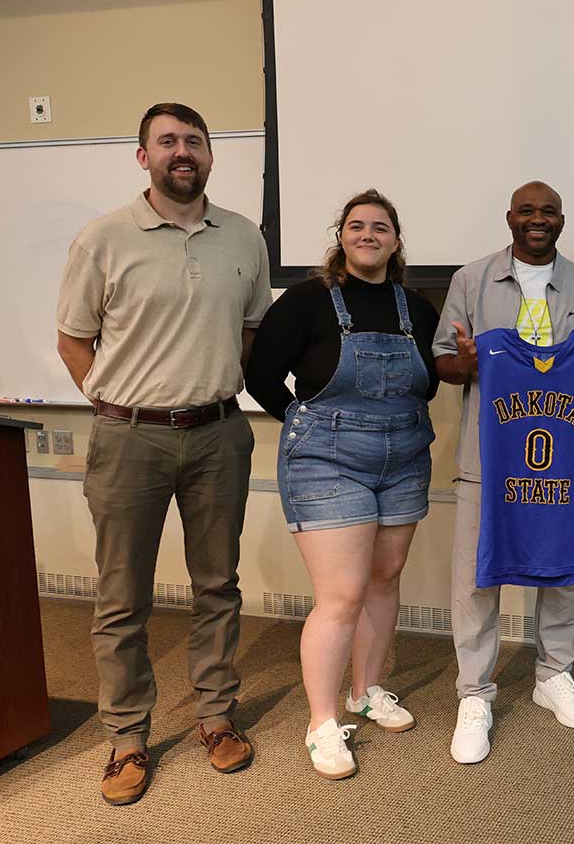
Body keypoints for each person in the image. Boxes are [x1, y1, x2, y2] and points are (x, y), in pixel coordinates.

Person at [55, 103, 270, 805]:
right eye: (167, 141)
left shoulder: (244, 237)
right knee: (123, 598)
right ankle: (126, 737)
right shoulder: (103, 239)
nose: (183, 151)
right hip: (128, 439)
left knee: (218, 585)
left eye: (195, 141)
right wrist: (118, 406)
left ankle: (215, 715)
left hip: (218, 434)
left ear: (211, 155)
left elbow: (249, 333)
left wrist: (202, 389)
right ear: (143, 156)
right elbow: (73, 339)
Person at [245, 189, 439, 780]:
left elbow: (428, 385)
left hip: (404, 458)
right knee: (342, 595)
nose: (368, 235)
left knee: (383, 579)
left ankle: (367, 690)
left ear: (396, 240)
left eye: (381, 227)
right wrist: (312, 428)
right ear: (342, 236)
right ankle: (322, 724)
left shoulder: (418, 309)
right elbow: (259, 375)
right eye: (357, 226)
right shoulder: (306, 301)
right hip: (326, 462)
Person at [434, 180, 574, 764]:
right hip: (486, 461)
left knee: (563, 567)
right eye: (526, 211)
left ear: (561, 220)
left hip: (563, 456)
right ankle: (474, 693)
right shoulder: (470, 279)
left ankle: (554, 675)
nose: (537, 220)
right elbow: (444, 362)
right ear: (509, 217)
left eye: (548, 212)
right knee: (477, 577)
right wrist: (463, 364)